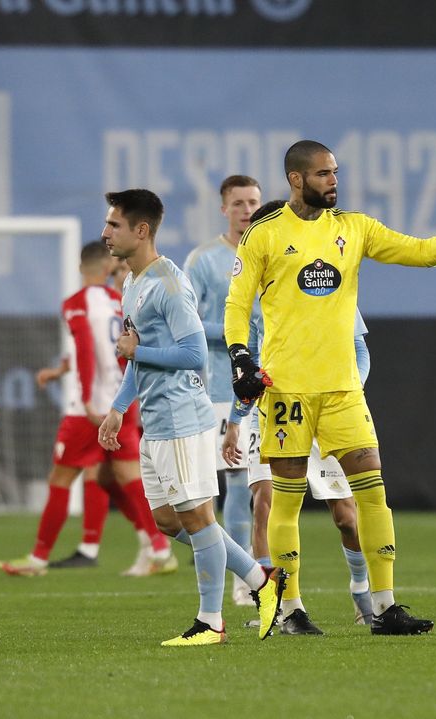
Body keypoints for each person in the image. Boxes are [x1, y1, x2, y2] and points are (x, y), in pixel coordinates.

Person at [223, 139, 436, 635]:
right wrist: (241, 357)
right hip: (287, 391)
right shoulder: (263, 235)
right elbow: (237, 305)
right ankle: (289, 610)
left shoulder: (354, 227)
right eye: (324, 174)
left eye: (335, 172)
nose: (334, 181)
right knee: (286, 501)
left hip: (342, 391)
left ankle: (385, 605)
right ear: (296, 179)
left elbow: (421, 253)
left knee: (372, 493)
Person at [96, 188, 284, 647]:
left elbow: (194, 352)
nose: (105, 233)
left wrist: (138, 351)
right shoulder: (132, 283)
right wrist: (120, 408)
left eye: (113, 225)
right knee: (169, 523)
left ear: (141, 231)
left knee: (199, 521)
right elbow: (136, 357)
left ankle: (210, 623)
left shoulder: (169, 284)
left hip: (183, 419)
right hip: (155, 423)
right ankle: (262, 581)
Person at [0, 241, 174, 578]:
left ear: (81, 268)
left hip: (88, 409)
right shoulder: (119, 301)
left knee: (61, 479)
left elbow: (87, 349)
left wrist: (92, 401)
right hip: (123, 401)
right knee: (127, 478)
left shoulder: (76, 304)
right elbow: (118, 351)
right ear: (108, 268)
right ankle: (160, 548)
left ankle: (37, 559)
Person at [223, 296, 376, 633]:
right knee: (265, 505)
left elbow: (359, 350)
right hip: (275, 414)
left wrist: (352, 389)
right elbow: (248, 372)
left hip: (327, 409)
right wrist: (236, 420)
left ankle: (361, 592)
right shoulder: (259, 299)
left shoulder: (332, 284)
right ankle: (279, 606)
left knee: (347, 518)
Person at [185, 175, 263, 605]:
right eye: (238, 203)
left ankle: (245, 576)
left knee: (246, 482)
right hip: (214, 384)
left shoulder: (267, 250)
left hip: (257, 384)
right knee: (221, 482)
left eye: (252, 201)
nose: (246, 209)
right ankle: (237, 575)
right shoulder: (203, 260)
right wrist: (239, 338)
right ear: (223, 208)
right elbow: (190, 324)